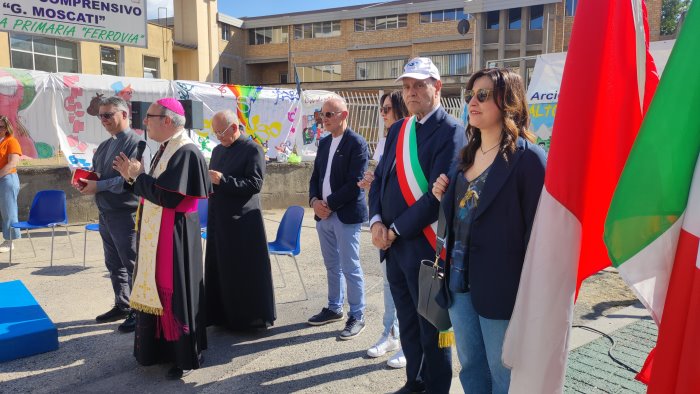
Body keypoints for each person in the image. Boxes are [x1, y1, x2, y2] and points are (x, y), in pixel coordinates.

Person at [431, 68, 546, 394]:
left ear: (507, 101)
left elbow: (538, 238)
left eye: (482, 95)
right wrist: (445, 196)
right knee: (471, 370)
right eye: (470, 95)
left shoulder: (530, 161)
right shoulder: (464, 158)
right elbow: (460, 219)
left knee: (504, 375)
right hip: (458, 283)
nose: (472, 102)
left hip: (503, 291)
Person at [368, 57, 460, 394]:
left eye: (419, 85)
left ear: (437, 87)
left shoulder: (452, 131)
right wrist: (376, 221)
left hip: (425, 248)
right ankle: (414, 382)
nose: (411, 92)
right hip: (393, 249)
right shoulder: (398, 130)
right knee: (406, 324)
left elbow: (436, 196)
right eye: (407, 87)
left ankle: (435, 388)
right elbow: (378, 180)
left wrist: (394, 230)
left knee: (432, 330)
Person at [112, 98, 212, 379]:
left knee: (176, 292)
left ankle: (182, 355)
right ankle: (158, 349)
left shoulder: (187, 151)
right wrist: (131, 177)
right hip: (159, 230)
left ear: (167, 121)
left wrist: (137, 176)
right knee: (156, 288)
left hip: (175, 232)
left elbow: (168, 197)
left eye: (149, 116)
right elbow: (152, 189)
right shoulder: (165, 148)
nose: (145, 121)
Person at [75, 96, 146, 333]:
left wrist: (99, 186)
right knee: (114, 263)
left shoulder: (135, 143)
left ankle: (140, 311)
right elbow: (99, 174)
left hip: (126, 212)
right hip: (106, 212)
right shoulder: (106, 145)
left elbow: (129, 179)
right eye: (100, 116)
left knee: (132, 262)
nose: (103, 120)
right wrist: (86, 181)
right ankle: (123, 304)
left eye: (108, 115)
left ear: (124, 114)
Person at [205, 109, 276, 330]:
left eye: (221, 132)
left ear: (235, 128)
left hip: (243, 221)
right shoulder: (218, 150)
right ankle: (221, 315)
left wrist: (223, 179)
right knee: (221, 269)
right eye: (215, 132)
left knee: (242, 271)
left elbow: (254, 185)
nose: (218, 137)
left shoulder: (252, 149)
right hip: (220, 217)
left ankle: (247, 320)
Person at [307, 96, 370, 340]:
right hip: (323, 215)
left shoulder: (357, 143)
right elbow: (315, 178)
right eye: (322, 114)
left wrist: (328, 204)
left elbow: (356, 183)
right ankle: (335, 307)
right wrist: (314, 202)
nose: (324, 119)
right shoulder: (324, 144)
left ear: (344, 115)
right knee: (331, 265)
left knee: (350, 266)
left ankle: (358, 314)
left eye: (329, 114)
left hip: (344, 215)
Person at [358, 91, 408, 369]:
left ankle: (409, 343)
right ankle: (391, 333)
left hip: (407, 229)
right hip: (385, 226)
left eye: (387, 108)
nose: (383, 113)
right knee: (390, 286)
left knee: (410, 291)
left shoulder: (413, 139)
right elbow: (381, 180)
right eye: (381, 108)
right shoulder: (385, 141)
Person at [0, 115, 21, 253]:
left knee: (8, 210)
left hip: (7, 179)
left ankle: (10, 241)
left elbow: (13, 163)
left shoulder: (11, 141)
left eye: (1, 127)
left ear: (6, 128)